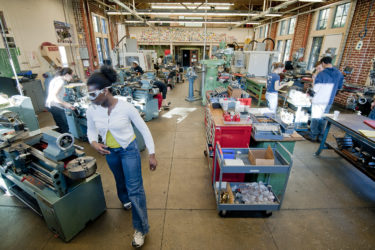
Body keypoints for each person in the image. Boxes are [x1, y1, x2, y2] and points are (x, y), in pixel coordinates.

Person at [86, 65, 157, 248]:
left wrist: (152, 153)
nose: (91, 98)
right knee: (120, 181)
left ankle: (141, 228)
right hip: (110, 151)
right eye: (89, 95)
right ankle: (124, 199)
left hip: (129, 150)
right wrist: (94, 143)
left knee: (135, 189)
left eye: (93, 94)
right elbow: (91, 130)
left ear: (105, 90)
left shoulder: (125, 107)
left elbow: (143, 128)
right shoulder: (92, 109)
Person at [308, 56, 343, 141]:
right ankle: (321, 137)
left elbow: (316, 88)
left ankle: (313, 135)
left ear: (323, 63)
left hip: (319, 99)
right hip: (329, 100)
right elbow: (339, 87)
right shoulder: (339, 73)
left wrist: (310, 96)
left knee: (316, 117)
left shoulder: (322, 74)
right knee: (324, 117)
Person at [45, 67, 74, 133]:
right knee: (65, 127)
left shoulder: (55, 79)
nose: (72, 78)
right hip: (55, 106)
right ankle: (66, 141)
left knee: (60, 125)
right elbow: (54, 96)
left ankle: (61, 140)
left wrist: (64, 104)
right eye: (71, 75)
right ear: (66, 74)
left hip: (50, 105)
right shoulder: (60, 81)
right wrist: (65, 104)